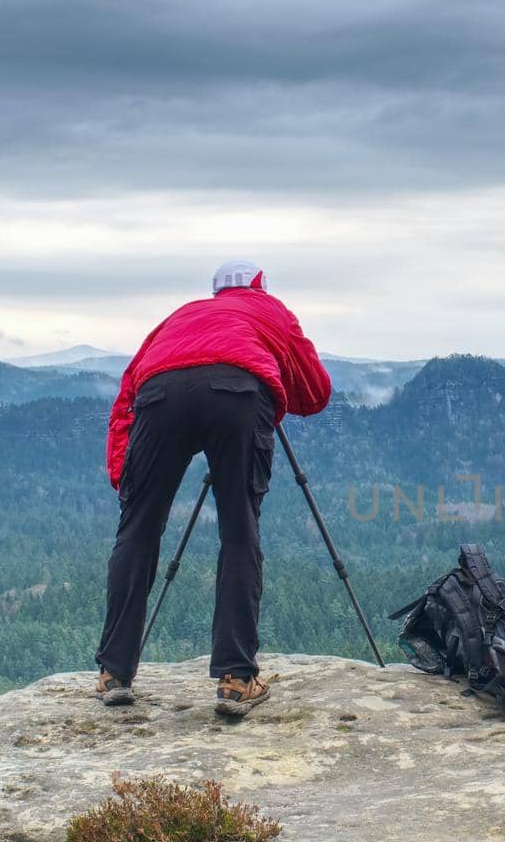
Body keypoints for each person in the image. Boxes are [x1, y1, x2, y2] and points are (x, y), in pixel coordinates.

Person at [94, 260, 332, 714]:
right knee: (239, 530)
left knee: (138, 531)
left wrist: (126, 480)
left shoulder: (180, 316)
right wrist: (273, 376)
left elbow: (127, 395)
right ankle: (236, 678)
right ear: (258, 286)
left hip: (160, 394)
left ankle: (114, 672)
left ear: (215, 291)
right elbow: (316, 391)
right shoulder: (270, 310)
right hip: (238, 394)